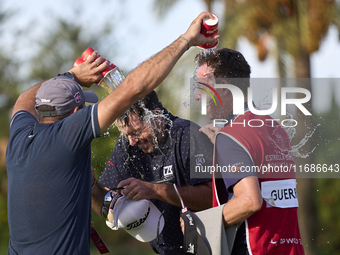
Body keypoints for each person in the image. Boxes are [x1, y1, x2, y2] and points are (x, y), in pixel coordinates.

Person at [5, 12, 219, 255]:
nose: (130, 140)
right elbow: (133, 89)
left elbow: (23, 100)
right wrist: (187, 39)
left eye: (136, 131)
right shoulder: (66, 136)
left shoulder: (20, 136)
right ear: (76, 113)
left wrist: (70, 77)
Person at [193, 48, 305, 254]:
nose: (198, 96)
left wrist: (197, 224)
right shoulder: (275, 129)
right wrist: (225, 138)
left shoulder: (232, 137)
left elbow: (250, 202)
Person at [91, 90, 214, 254]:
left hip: (204, 248)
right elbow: (110, 208)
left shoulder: (188, 135)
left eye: (136, 132)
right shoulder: (128, 144)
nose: (132, 141)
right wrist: (90, 186)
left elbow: (212, 198)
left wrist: (155, 190)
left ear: (157, 116)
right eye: (127, 134)